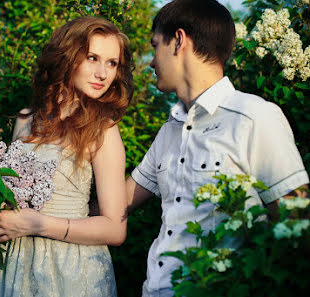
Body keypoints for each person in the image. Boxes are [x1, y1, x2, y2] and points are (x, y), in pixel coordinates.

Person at [125, 0, 310, 296]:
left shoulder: (254, 117)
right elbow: (119, 203)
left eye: (155, 44)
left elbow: (296, 226)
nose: (151, 60)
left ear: (178, 40)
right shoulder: (169, 130)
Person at [0, 16, 133, 297]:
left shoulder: (104, 129)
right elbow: (13, 195)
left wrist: (35, 224)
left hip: (72, 268)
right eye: (92, 58)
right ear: (67, 57)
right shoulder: (26, 119)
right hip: (18, 262)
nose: (103, 73)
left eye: (112, 63)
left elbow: (114, 229)